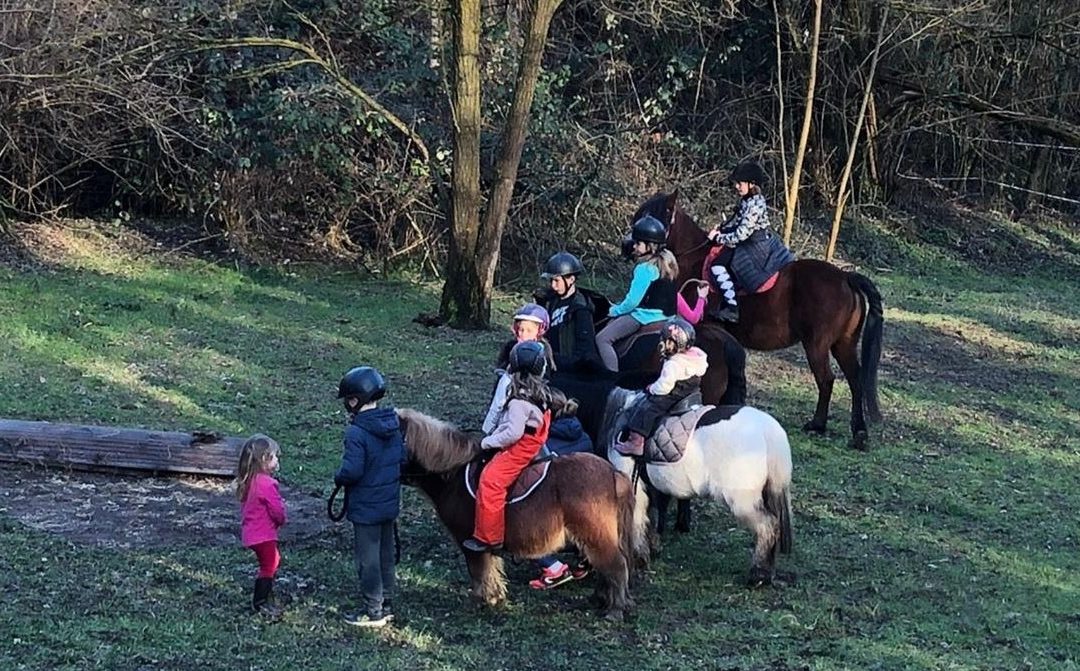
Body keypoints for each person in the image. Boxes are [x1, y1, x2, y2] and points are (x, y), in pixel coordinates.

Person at [463, 341, 560, 553]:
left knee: (490, 481)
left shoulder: (518, 401)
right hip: (536, 440)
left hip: (521, 446)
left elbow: (513, 433)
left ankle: (490, 538)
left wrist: (486, 442)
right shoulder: (540, 392)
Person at [334, 365, 406, 628]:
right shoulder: (393, 424)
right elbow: (402, 459)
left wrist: (339, 477)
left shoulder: (357, 432)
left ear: (355, 400)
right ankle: (386, 601)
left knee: (368, 558)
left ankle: (373, 610)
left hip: (366, 507)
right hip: (388, 503)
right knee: (387, 553)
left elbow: (352, 471)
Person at [595, 215, 679, 372]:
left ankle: (611, 378)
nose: (634, 246)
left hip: (644, 317)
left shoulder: (644, 269)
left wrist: (614, 310)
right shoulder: (669, 265)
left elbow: (632, 302)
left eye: (638, 243)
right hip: (669, 317)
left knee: (602, 339)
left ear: (650, 246)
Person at [615, 317, 708, 457]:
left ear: (672, 344)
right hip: (691, 390)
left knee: (647, 407)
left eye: (664, 340)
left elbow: (664, 386)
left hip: (675, 392)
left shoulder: (673, 364)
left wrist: (652, 388)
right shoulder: (696, 356)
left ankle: (636, 442)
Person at [705, 161, 771, 322]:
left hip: (754, 245)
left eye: (740, 183)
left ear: (751, 184)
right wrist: (722, 230)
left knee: (717, 266)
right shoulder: (747, 200)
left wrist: (718, 238)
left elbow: (741, 235)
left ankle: (732, 308)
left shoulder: (754, 204)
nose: (736, 186)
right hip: (748, 240)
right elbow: (737, 224)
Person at [236, 433, 287, 618]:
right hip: (263, 534)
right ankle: (261, 602)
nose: (277, 461)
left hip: (252, 533)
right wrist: (281, 519)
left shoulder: (250, 479)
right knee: (269, 564)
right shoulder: (267, 484)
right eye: (274, 457)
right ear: (264, 460)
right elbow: (276, 510)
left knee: (273, 561)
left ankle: (265, 595)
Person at [483, 303, 554, 434]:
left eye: (528, 331)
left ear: (540, 331)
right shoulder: (510, 349)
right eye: (521, 330)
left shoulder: (543, 354)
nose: (523, 334)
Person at [539, 252, 603, 375]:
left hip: (569, 369)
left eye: (557, 281)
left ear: (571, 280)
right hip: (551, 363)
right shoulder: (550, 301)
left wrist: (565, 363)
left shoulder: (581, 309)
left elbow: (585, 348)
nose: (553, 285)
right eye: (551, 280)